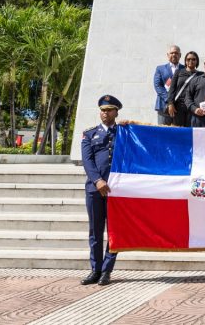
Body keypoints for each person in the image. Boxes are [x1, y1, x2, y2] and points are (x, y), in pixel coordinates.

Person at [79, 94, 121, 286]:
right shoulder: (89, 134)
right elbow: (87, 161)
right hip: (95, 189)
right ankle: (95, 269)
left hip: (116, 191)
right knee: (95, 231)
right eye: (103, 110)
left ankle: (107, 270)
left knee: (114, 231)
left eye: (109, 110)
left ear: (116, 112)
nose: (105, 113)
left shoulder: (124, 132)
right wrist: (97, 181)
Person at [167, 51, 200, 126]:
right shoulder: (178, 72)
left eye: (193, 59)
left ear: (197, 61)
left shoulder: (200, 74)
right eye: (188, 59)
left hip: (193, 106)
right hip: (179, 106)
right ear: (185, 61)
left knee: (191, 129)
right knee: (178, 129)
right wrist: (170, 103)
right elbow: (172, 89)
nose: (191, 61)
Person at [153, 45, 182, 125]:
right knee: (162, 133)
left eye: (176, 53)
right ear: (168, 55)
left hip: (180, 108)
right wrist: (170, 102)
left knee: (178, 134)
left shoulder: (184, 69)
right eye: (171, 53)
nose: (174, 54)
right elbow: (158, 86)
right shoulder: (160, 69)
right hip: (163, 107)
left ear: (180, 55)